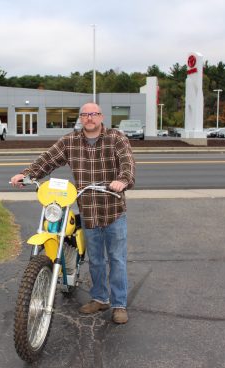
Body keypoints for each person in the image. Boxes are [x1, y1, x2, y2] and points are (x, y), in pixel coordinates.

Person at [10, 102, 135, 324]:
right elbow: (48, 159)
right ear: (80, 118)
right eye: (85, 115)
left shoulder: (116, 138)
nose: (89, 118)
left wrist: (122, 180)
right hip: (88, 211)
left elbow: (127, 163)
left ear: (101, 116)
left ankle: (119, 304)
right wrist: (26, 175)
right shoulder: (71, 141)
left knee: (116, 259)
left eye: (94, 114)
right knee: (96, 260)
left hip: (113, 210)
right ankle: (100, 298)